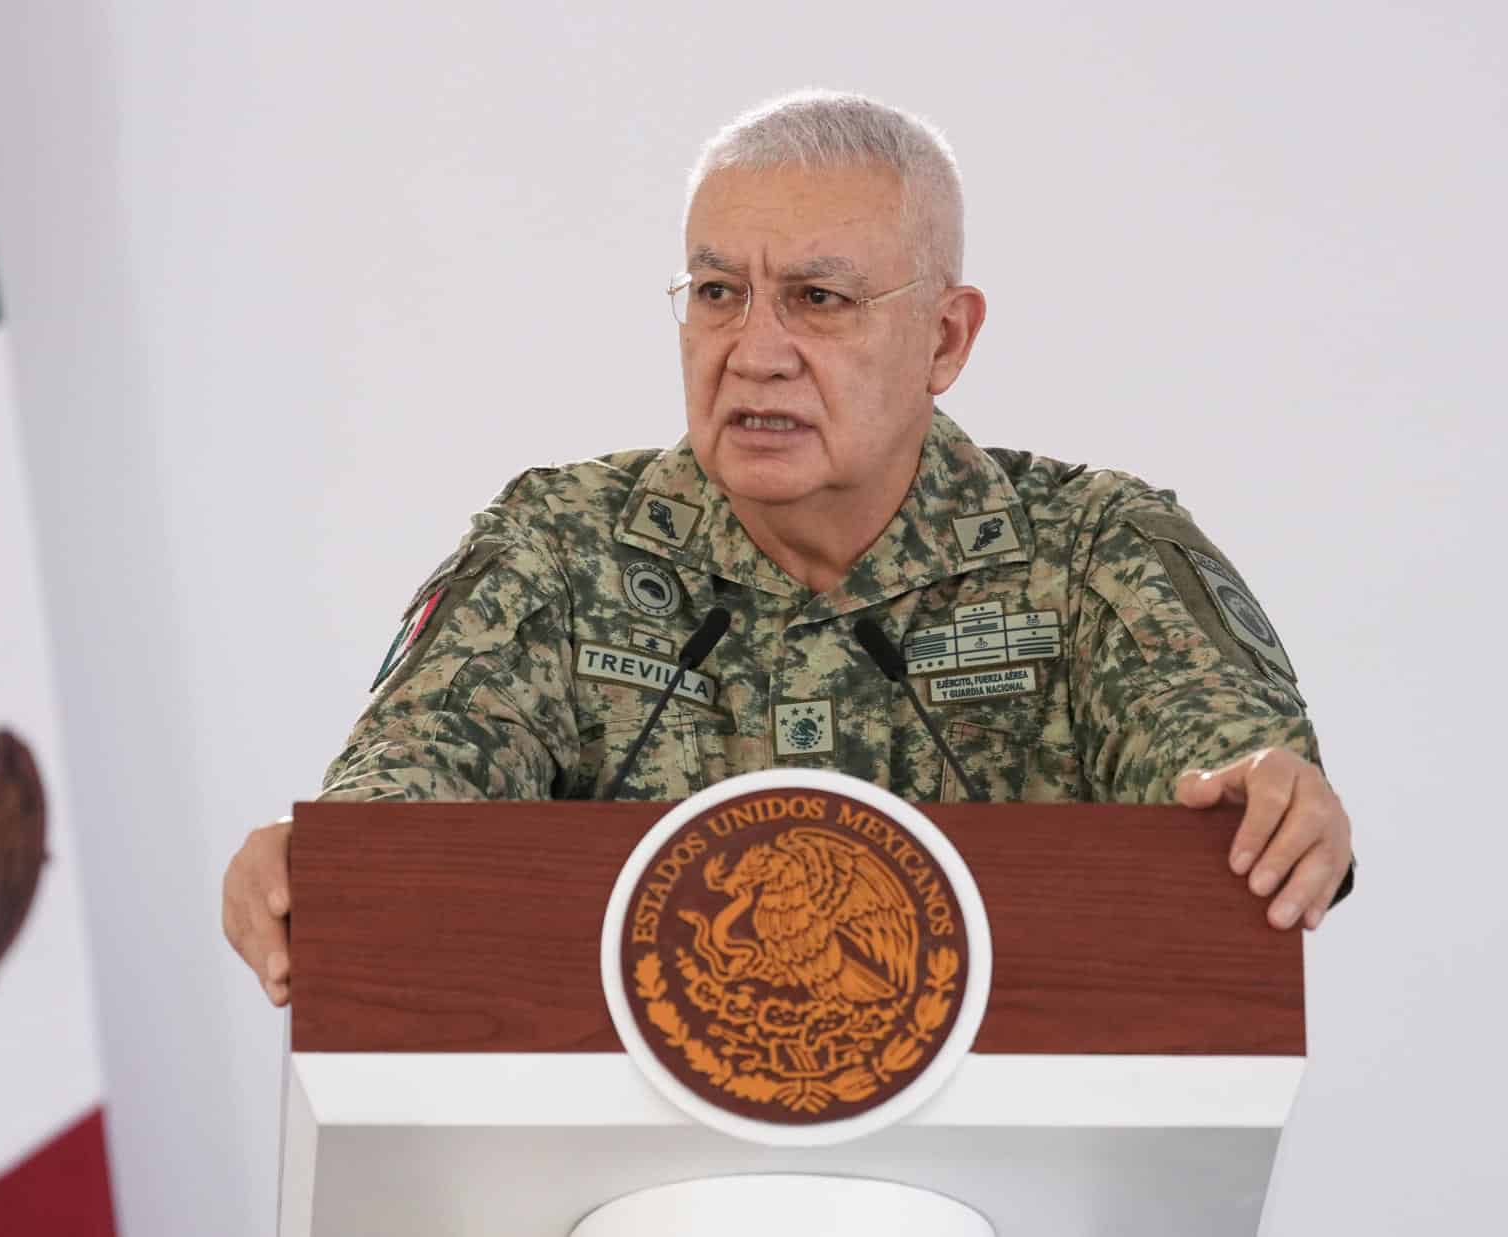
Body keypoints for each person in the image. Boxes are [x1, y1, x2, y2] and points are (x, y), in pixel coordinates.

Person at [221, 91, 1354, 1008]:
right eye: (718, 292)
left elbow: (1225, 800)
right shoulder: (560, 550)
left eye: (817, 298)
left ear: (946, 338)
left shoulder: (1094, 554)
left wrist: (1273, 797)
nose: (753, 351)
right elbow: (404, 810)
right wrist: (322, 861)